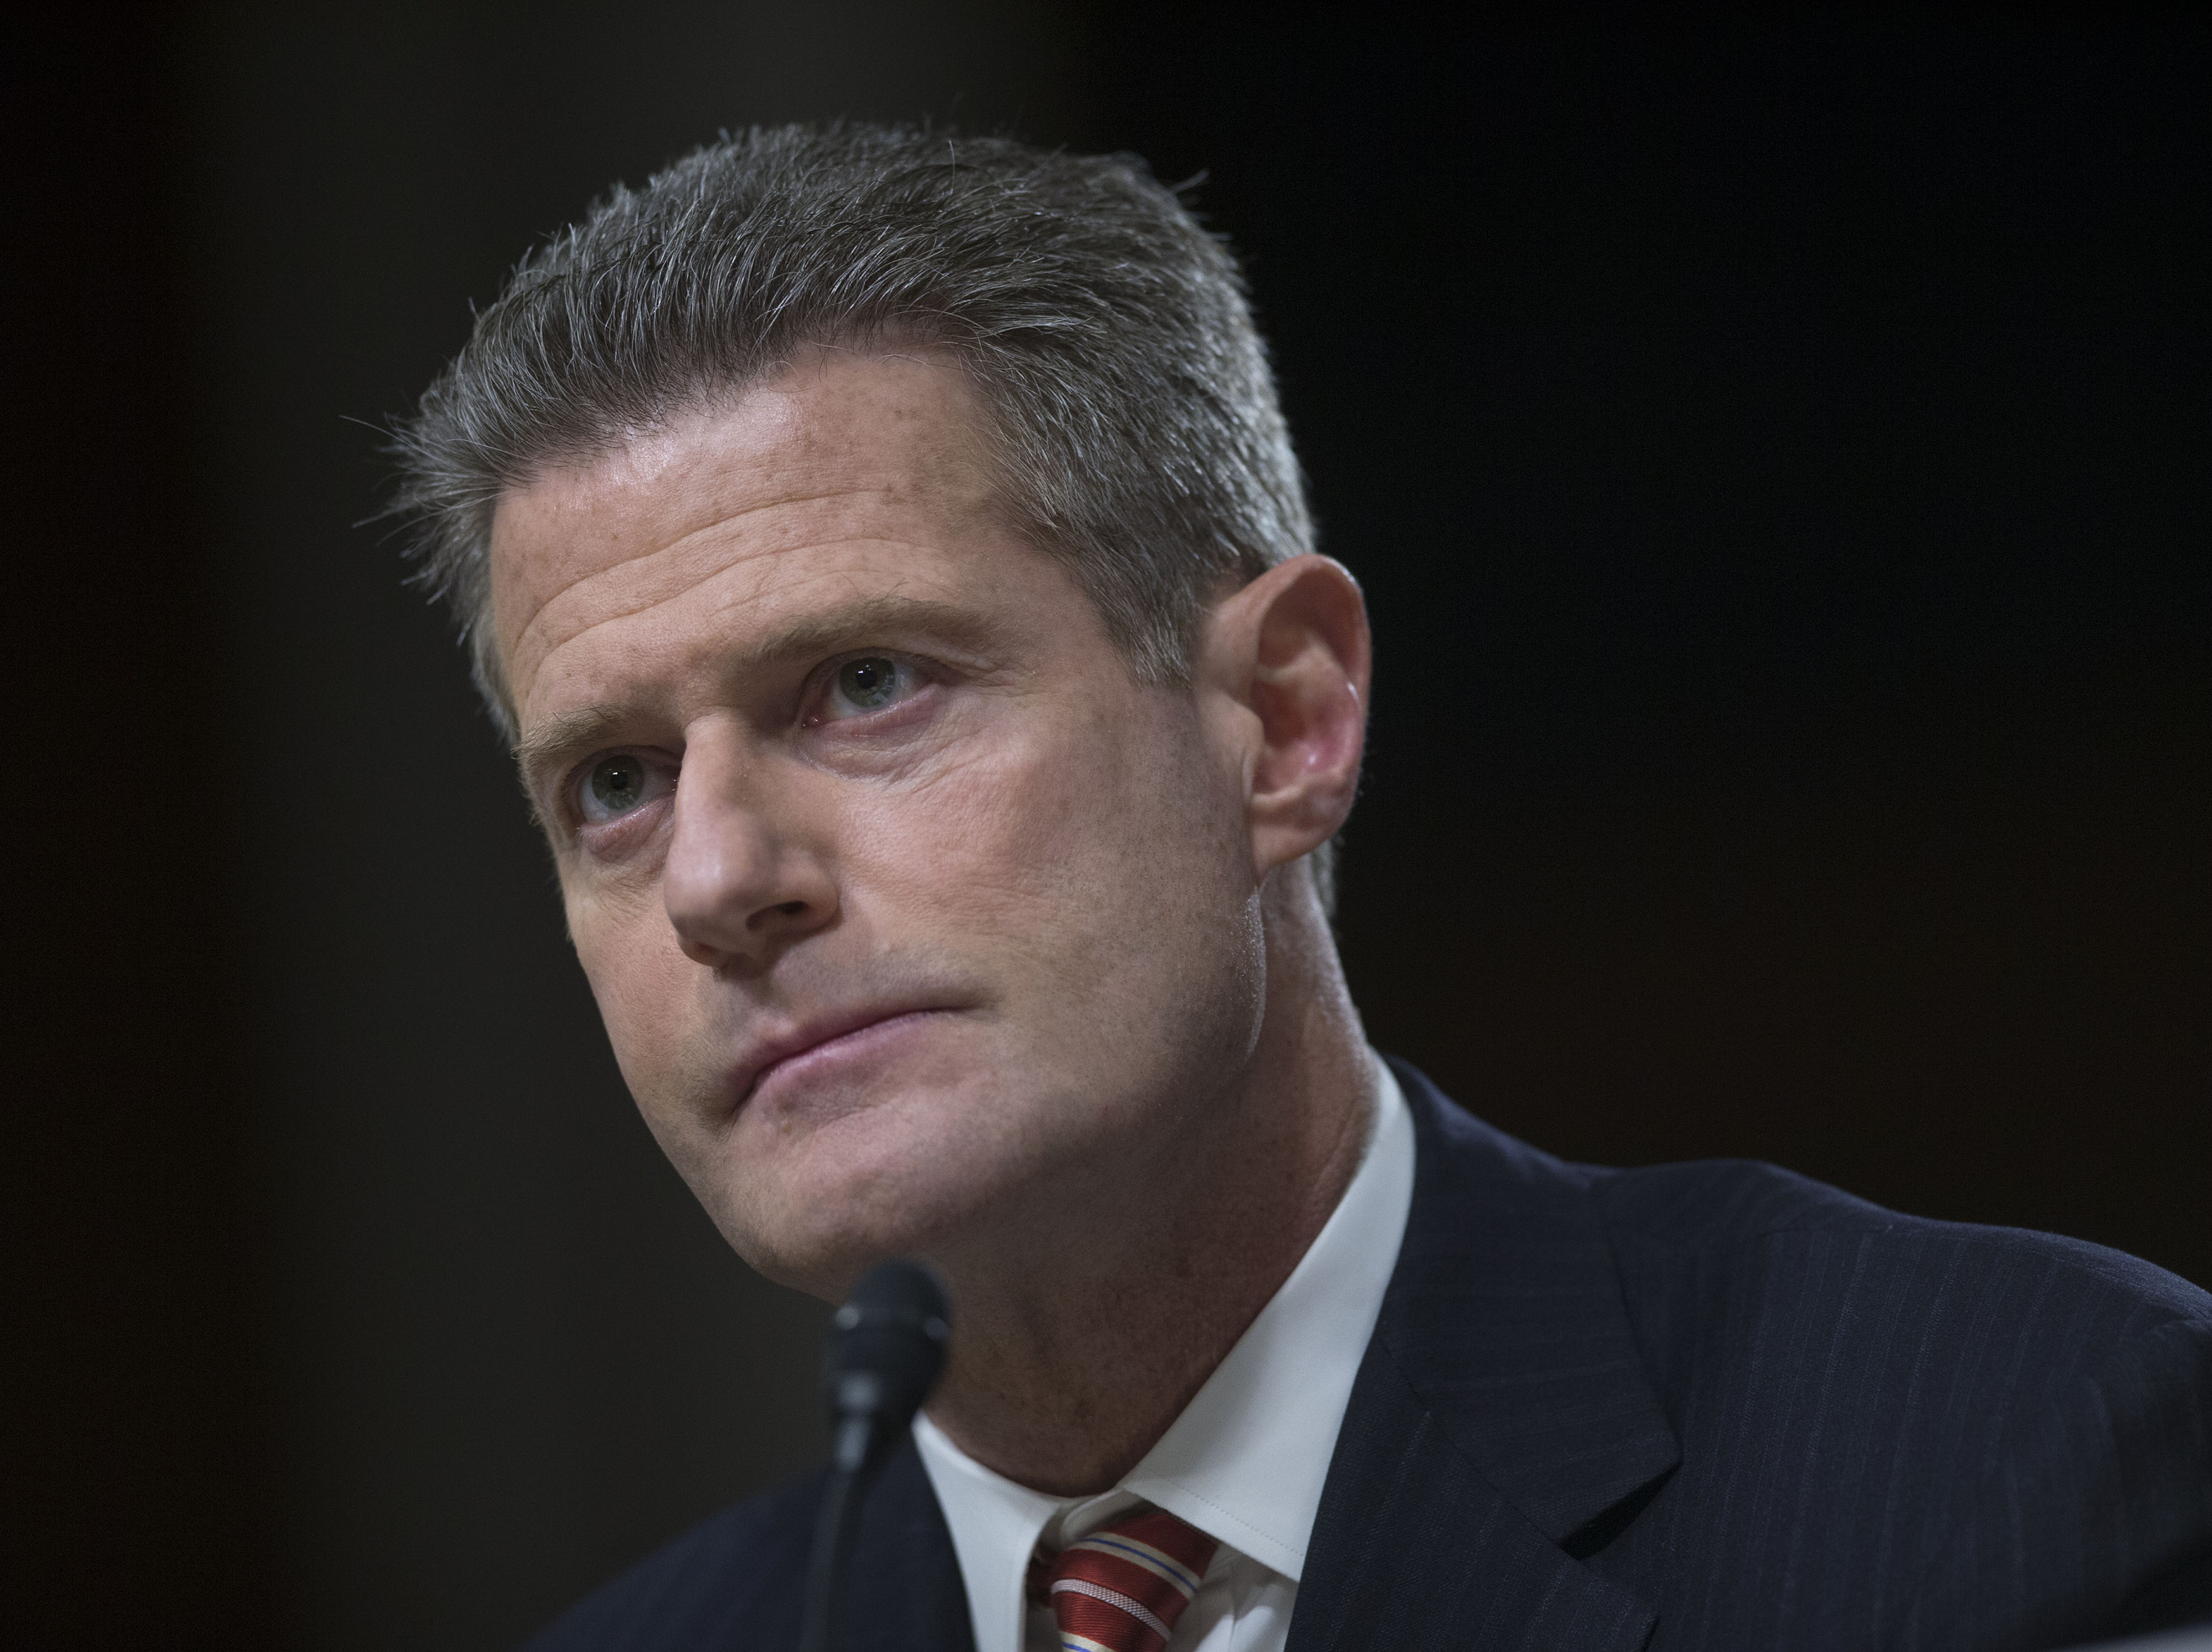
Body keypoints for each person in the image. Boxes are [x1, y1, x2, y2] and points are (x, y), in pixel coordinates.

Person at [387, 125, 2210, 1652]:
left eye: (866, 684)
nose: (717, 877)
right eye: (614, 783)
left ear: (1281, 720)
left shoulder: (2011, 1467)